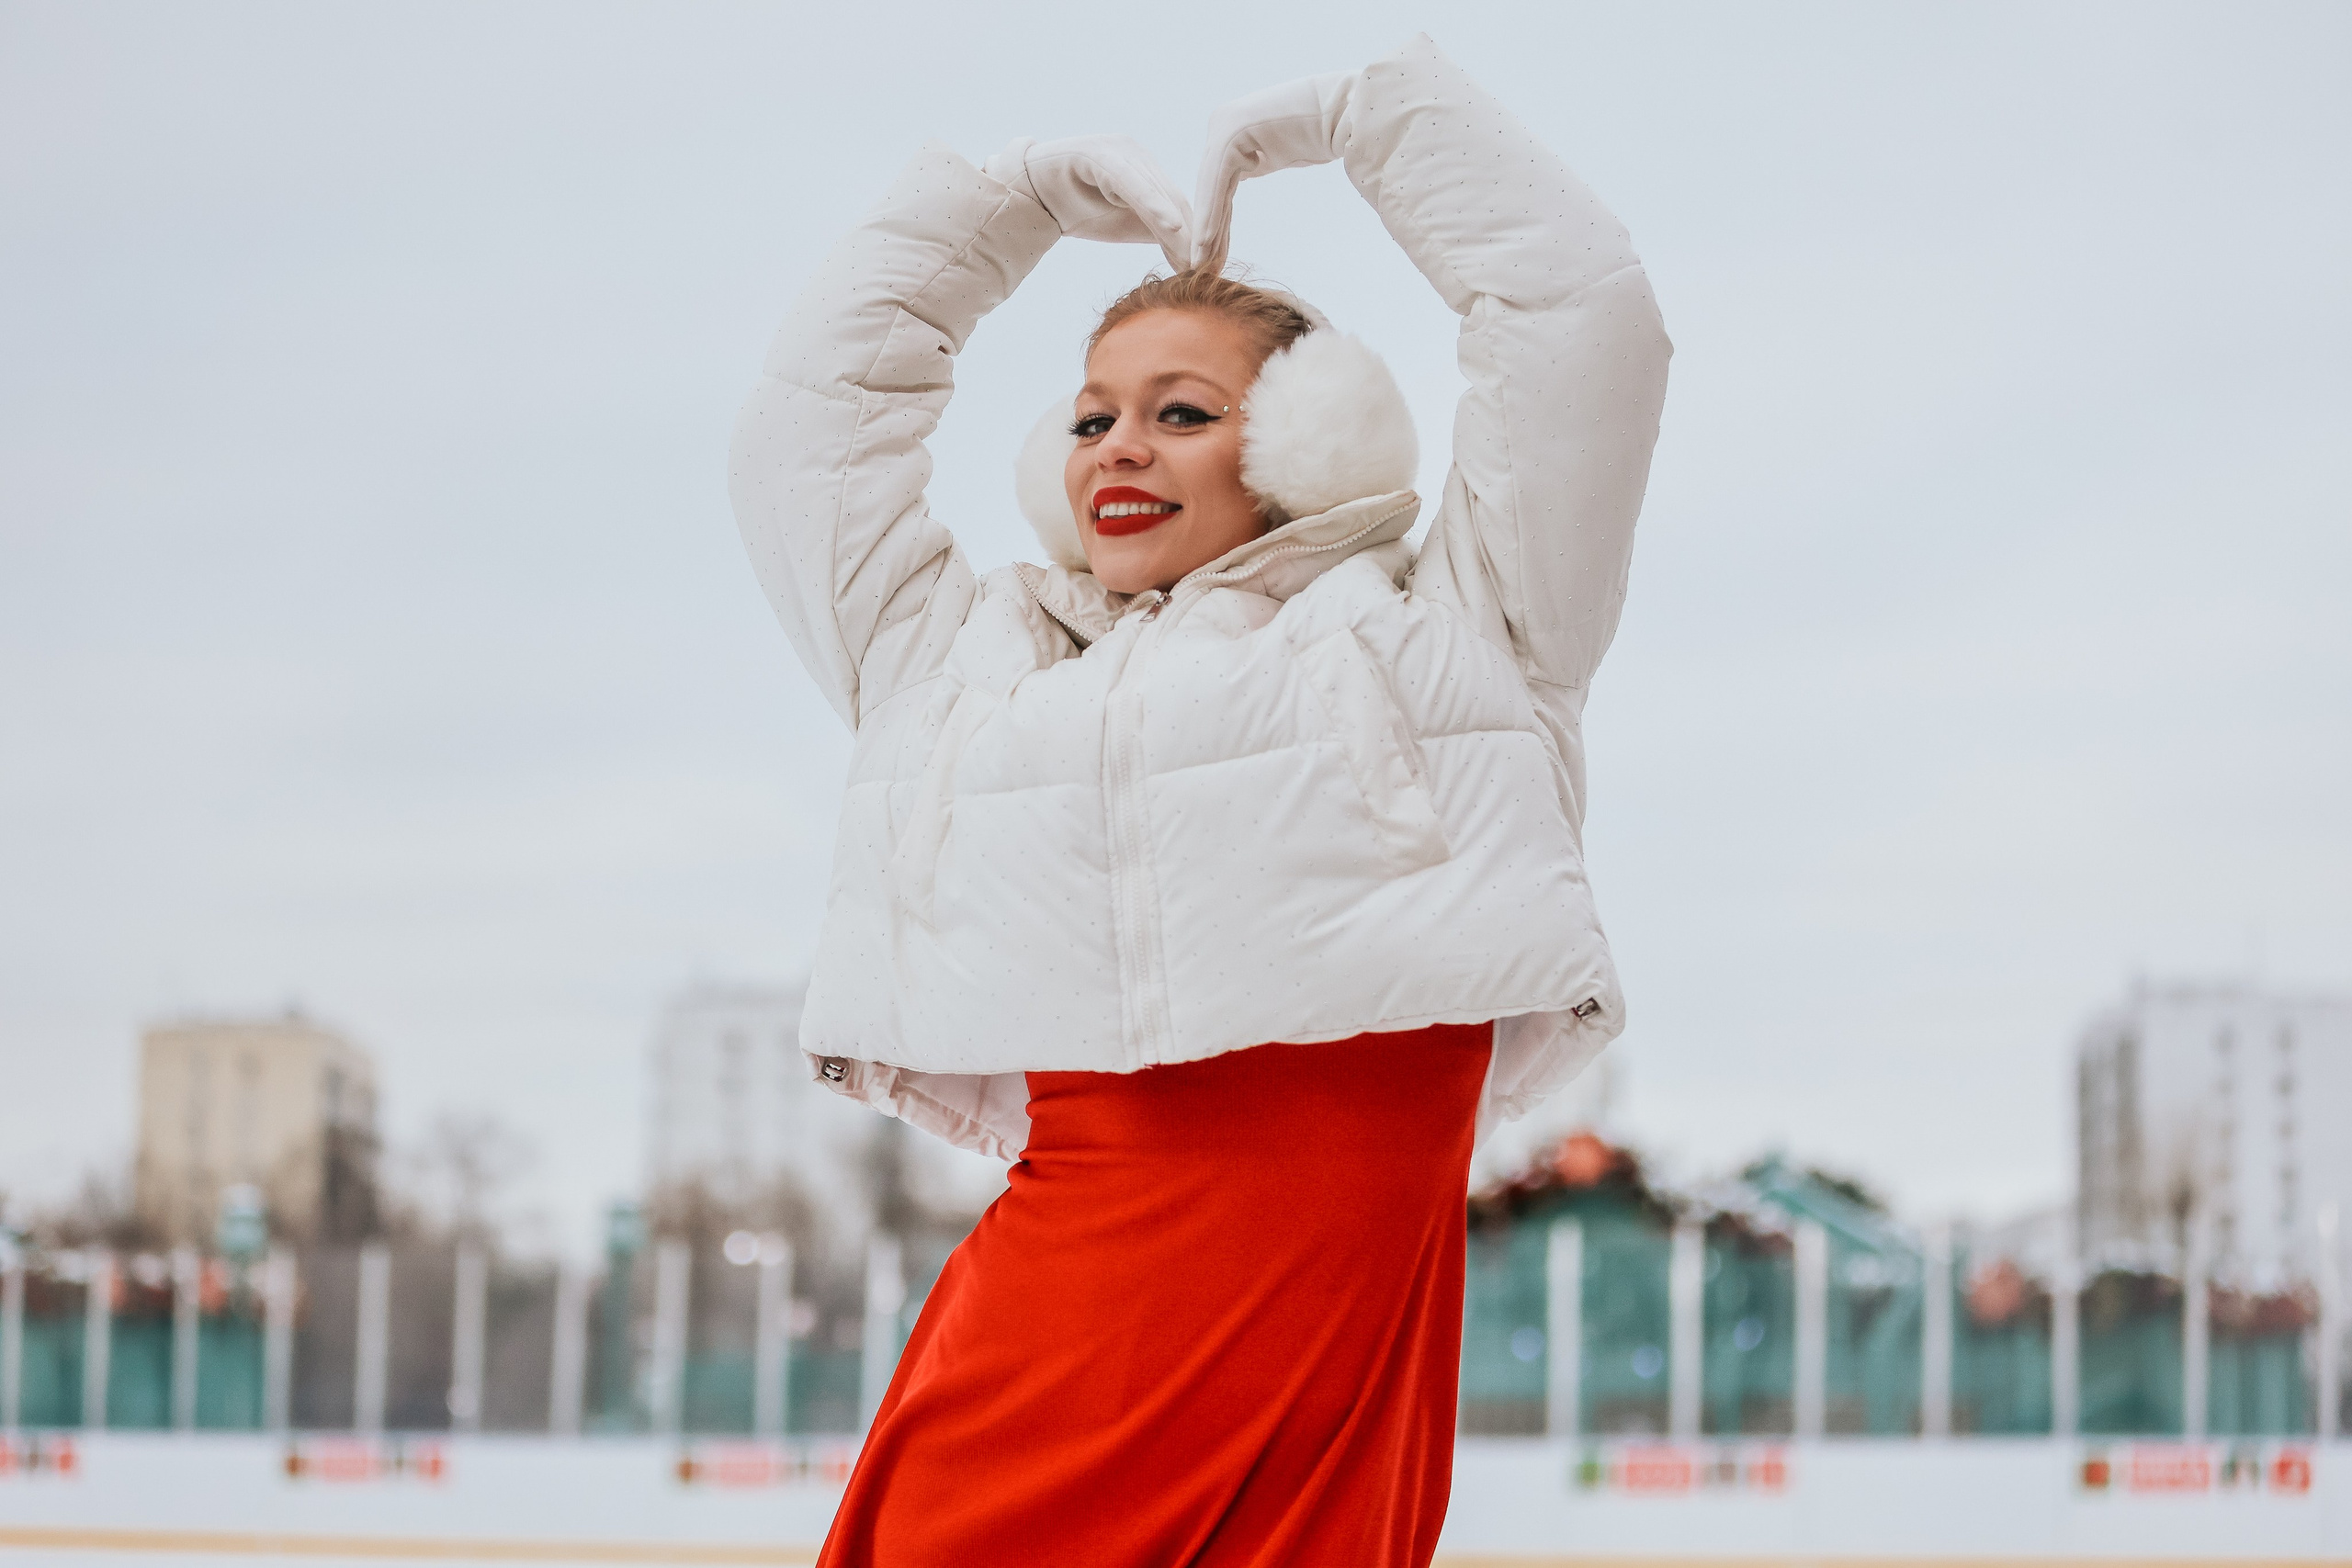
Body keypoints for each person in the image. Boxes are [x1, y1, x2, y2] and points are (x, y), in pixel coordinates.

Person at [729, 33, 1668, 1567]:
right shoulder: (964, 665)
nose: (1117, 446)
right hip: (1043, 1370)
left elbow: (1584, 325)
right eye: (1093, 414)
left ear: (1308, 441)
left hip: (1319, 1398)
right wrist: (996, 211)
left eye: (1181, 411)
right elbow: (804, 439)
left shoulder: (1463, 624)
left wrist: (1374, 121)